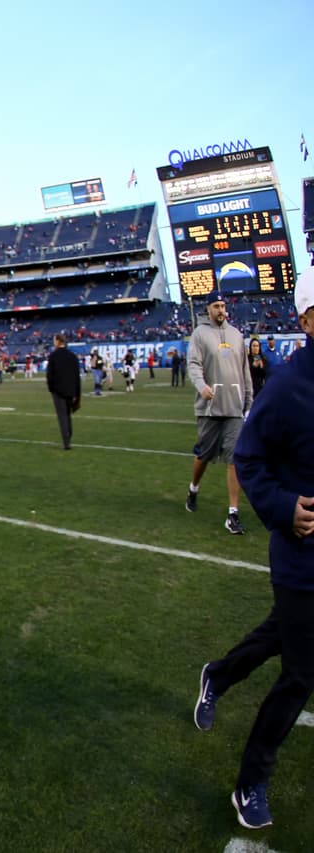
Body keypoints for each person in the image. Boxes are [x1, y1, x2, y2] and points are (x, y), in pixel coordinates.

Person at [191, 270, 314, 830]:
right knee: (301, 673)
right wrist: (285, 508)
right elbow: (249, 459)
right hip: (303, 559)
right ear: (307, 319)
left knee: (278, 635)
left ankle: (217, 675)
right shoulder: (289, 386)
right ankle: (251, 781)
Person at [185, 291, 253, 534]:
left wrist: (248, 402)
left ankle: (232, 514)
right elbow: (193, 364)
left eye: (223, 305)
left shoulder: (236, 335)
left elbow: (245, 371)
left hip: (234, 407)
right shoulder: (200, 334)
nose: (221, 310)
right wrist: (201, 386)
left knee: (235, 458)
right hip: (210, 408)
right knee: (204, 454)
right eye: (216, 306)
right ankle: (193, 488)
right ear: (209, 309)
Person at [45, 334, 81, 450]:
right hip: (70, 390)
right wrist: (77, 393)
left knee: (62, 416)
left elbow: (50, 375)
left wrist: (51, 388)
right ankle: (68, 436)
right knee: (68, 415)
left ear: (58, 341)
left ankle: (66, 441)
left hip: (58, 391)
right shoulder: (72, 356)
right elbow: (77, 376)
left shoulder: (53, 356)